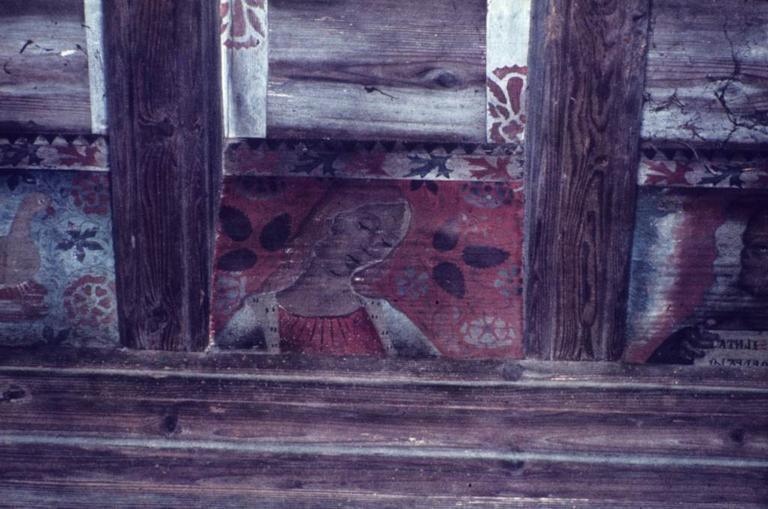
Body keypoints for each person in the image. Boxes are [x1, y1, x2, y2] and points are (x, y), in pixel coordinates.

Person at [215, 182, 439, 358]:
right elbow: (215, 375)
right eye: (364, 226)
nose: (370, 247)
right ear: (331, 218)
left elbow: (436, 378)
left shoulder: (384, 316)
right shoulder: (259, 312)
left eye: (386, 243)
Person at [648, 207, 768, 364]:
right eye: (746, 245)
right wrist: (680, 352)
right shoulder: (700, 337)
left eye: (762, 248)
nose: (745, 255)